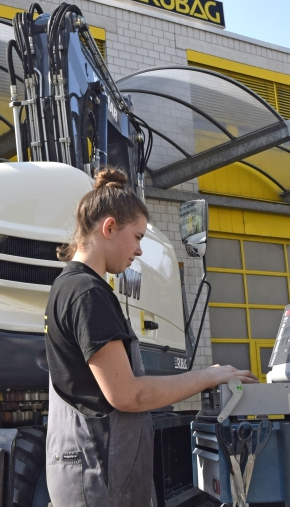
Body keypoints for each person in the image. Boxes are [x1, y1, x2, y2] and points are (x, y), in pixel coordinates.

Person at [45, 167, 257, 507]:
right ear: (109, 227)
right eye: (139, 237)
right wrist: (207, 377)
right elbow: (128, 395)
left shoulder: (71, 286)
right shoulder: (86, 293)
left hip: (93, 473)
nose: (140, 251)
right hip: (99, 479)